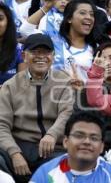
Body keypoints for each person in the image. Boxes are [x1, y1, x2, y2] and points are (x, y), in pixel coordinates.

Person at [0, 33, 74, 182]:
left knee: (71, 164)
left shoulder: (63, 81)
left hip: (55, 150)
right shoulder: (10, 86)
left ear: (53, 56)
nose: (41, 56)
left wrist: (52, 134)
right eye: (34, 52)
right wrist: (14, 153)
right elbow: (2, 124)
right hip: (20, 147)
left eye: (46, 52)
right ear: (24, 55)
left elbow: (67, 113)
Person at [30, 110, 111, 183]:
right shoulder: (46, 172)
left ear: (101, 147)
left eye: (94, 138)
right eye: (79, 135)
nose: (87, 141)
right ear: (65, 141)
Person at [52, 0, 97, 82]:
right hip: (52, 93)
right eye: (83, 13)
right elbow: (25, 30)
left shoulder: (95, 49)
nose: (89, 17)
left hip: (82, 94)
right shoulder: (53, 41)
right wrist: (45, 8)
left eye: (91, 14)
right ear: (69, 18)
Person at [0, 3, 26, 86]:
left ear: (8, 22)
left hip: (10, 97)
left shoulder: (19, 50)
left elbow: (22, 86)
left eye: (0, 19)